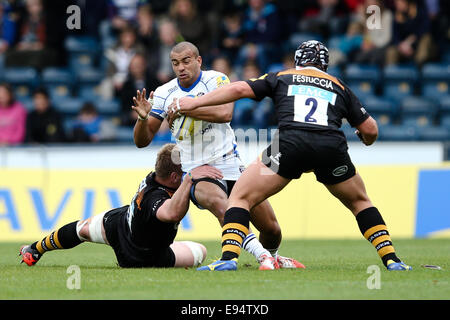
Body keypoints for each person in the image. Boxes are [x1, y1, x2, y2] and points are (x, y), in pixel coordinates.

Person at [170, 40, 412, 271]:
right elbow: (371, 130)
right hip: (331, 146)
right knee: (360, 202)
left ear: (297, 61)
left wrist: (192, 104)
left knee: (240, 197)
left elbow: (240, 88)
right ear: (325, 65)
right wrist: (365, 139)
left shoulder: (283, 76)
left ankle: (228, 259)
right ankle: (392, 260)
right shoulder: (340, 86)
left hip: (289, 144)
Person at [132, 41, 304, 270]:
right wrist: (143, 119)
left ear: (198, 60)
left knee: (271, 228)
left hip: (231, 165)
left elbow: (225, 113)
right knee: (224, 209)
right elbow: (141, 141)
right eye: (175, 63)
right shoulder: (164, 93)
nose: (180, 67)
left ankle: (273, 255)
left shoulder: (216, 80)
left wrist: (186, 107)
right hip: (198, 172)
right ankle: (260, 257)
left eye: (186, 61)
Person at [19, 143, 220, 268]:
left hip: (121, 225)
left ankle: (35, 249)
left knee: (83, 229)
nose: (188, 171)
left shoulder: (156, 176)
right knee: (200, 251)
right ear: (174, 177)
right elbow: (172, 213)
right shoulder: (156, 197)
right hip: (144, 255)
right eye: (184, 170)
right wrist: (190, 180)